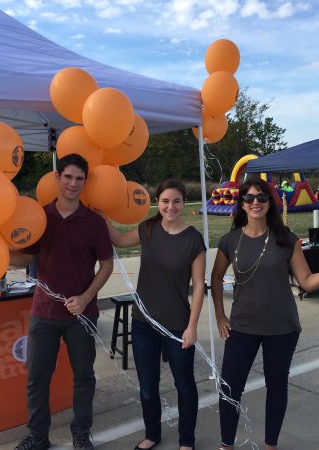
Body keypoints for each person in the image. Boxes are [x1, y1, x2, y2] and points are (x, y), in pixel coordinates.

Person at [211, 178, 319, 450]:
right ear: (241, 203)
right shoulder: (231, 240)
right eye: (249, 198)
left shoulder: (286, 239)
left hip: (281, 327)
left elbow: (306, 281)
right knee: (229, 389)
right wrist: (219, 315)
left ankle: (270, 445)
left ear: (269, 202)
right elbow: (215, 278)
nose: (255, 203)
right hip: (242, 325)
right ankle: (226, 445)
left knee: (276, 387)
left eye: (261, 198)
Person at [11, 154, 114, 450]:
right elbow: (25, 257)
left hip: (82, 316)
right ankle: (37, 436)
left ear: (85, 182)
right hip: (44, 313)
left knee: (84, 377)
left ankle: (81, 433)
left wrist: (85, 298)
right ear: (57, 178)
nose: (73, 183)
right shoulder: (40, 217)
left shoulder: (93, 222)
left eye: (79, 179)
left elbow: (106, 265)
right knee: (37, 378)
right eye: (68, 177)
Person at [104, 179, 206, 450]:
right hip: (143, 323)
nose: (170, 207)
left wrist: (192, 326)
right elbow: (117, 239)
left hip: (177, 325)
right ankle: (152, 434)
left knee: (184, 384)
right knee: (148, 385)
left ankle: (187, 440)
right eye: (165, 201)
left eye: (176, 201)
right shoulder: (147, 229)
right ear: (157, 203)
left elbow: (198, 287)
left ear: (183, 203)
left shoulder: (193, 239)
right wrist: (99, 212)